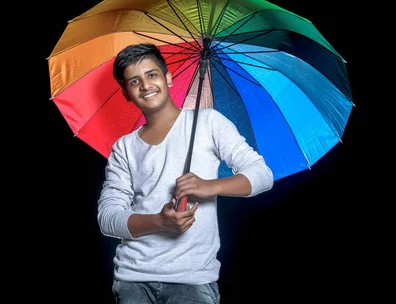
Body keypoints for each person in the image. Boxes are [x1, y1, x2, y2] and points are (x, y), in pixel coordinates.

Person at [97, 43, 274, 303]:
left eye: (152, 74)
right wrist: (159, 221)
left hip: (192, 280)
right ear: (126, 93)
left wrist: (210, 186)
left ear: (168, 78)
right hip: (133, 280)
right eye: (134, 81)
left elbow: (262, 175)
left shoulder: (209, 122)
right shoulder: (124, 147)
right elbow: (107, 217)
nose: (146, 85)